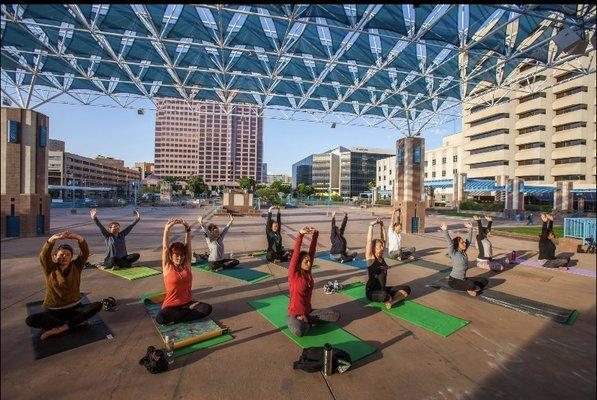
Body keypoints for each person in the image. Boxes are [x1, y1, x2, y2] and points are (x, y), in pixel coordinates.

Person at [25, 231, 103, 340]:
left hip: (74, 308)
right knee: (30, 320)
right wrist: (52, 239)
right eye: (61, 254)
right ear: (55, 256)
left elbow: (84, 253)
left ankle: (62, 328)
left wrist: (77, 237)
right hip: (54, 311)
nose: (64, 257)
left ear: (71, 257)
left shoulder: (76, 266)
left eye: (67, 254)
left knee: (98, 305)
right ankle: (74, 323)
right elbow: (43, 255)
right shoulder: (49, 268)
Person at [156, 218, 212, 325]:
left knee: (207, 308)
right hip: (171, 306)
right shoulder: (167, 267)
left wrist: (188, 229)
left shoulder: (186, 266)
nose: (179, 257)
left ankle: (179, 316)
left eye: (182, 255)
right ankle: (184, 313)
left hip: (187, 303)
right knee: (161, 318)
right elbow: (165, 248)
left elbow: (188, 248)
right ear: (171, 256)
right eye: (176, 255)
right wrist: (167, 230)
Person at [287, 226, 341, 337]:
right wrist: (300, 234)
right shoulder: (293, 274)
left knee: (336, 315)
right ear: (299, 263)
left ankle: (308, 320)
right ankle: (306, 323)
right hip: (294, 314)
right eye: (306, 261)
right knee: (298, 331)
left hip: (309, 313)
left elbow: (312, 250)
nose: (309, 263)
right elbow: (296, 252)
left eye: (310, 261)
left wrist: (315, 234)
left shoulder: (308, 272)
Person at [365, 218, 411, 309]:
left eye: (382, 246)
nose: (382, 247)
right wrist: (371, 225)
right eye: (380, 246)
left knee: (407, 288)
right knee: (384, 296)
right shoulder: (370, 258)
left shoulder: (381, 257)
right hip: (372, 292)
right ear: (374, 248)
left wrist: (382, 226)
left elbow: (384, 239)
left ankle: (392, 301)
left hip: (383, 289)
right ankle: (391, 298)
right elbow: (369, 241)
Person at [440, 221, 487, 297]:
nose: (464, 243)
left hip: (463, 279)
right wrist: (445, 230)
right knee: (471, 285)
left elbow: (468, 240)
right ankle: (471, 288)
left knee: (484, 280)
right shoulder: (453, 253)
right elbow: (450, 243)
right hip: (454, 281)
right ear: (457, 245)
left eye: (464, 242)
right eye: (462, 243)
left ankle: (472, 288)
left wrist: (470, 229)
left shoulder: (464, 252)